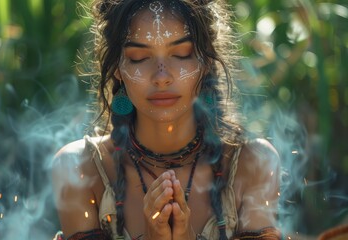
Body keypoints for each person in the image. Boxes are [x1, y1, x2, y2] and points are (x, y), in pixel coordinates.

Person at [52, 0, 282, 239]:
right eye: (139, 57)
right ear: (117, 67)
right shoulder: (78, 169)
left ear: (206, 62)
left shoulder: (253, 165)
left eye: (181, 54)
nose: (162, 77)